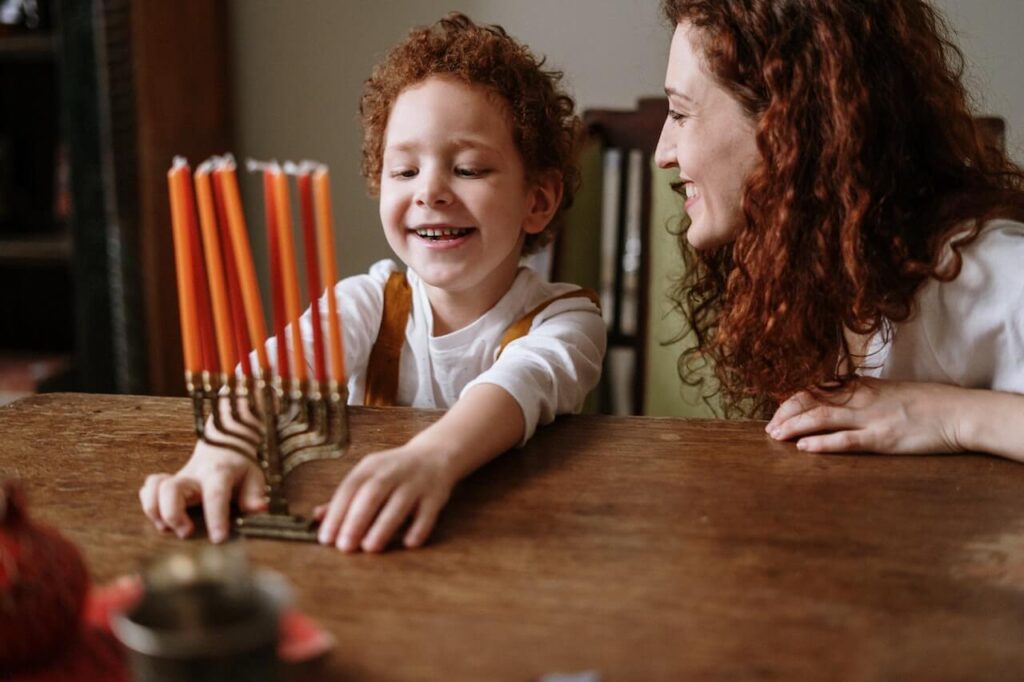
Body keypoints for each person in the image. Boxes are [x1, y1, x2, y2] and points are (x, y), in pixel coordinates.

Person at [139, 13, 606, 551]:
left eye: (470, 169)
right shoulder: (369, 302)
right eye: (404, 171)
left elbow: (518, 384)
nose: (429, 191)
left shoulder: (568, 322)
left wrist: (429, 459)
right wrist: (223, 450)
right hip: (361, 538)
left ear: (537, 200)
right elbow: (277, 371)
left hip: (515, 547)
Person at [655, 0, 1024, 461]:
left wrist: (948, 415)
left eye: (680, 113)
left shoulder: (975, 269)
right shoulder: (820, 261)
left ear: (785, 122)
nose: (662, 153)